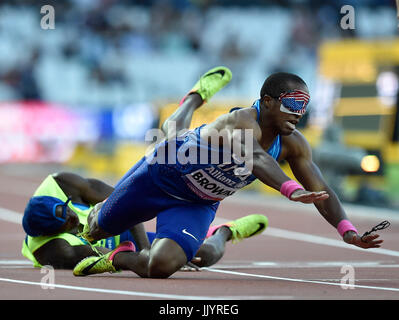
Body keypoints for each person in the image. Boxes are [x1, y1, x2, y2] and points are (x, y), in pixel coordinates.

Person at [73, 66, 384, 279]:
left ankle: (121, 257)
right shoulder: (243, 121)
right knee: (96, 229)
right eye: (292, 104)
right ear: (267, 102)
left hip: (197, 202)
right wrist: (291, 188)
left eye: (304, 106)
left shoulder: (294, 145)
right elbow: (257, 160)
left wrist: (348, 230)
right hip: (161, 175)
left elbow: (322, 189)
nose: (298, 113)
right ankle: (194, 97)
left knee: (161, 266)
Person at [21, 67, 267, 270]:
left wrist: (146, 245)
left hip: (119, 210)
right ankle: (225, 231)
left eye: (67, 211)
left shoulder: (60, 184)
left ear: (60, 201)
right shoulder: (58, 251)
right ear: (53, 232)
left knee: (170, 145)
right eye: (69, 223)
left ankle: (195, 96)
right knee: (197, 256)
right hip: (120, 240)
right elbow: (119, 258)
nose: (74, 217)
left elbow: (122, 198)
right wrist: (150, 256)